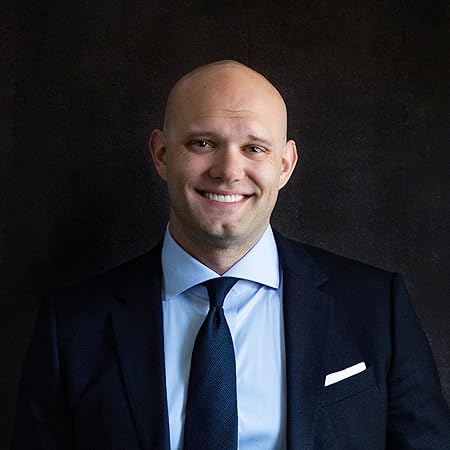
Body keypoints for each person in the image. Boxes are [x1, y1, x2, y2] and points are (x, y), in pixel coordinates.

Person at [12, 60, 450, 449]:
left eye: (254, 148)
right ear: (161, 154)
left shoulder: (376, 307)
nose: (228, 171)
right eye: (202, 143)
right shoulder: (71, 327)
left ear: (285, 164)